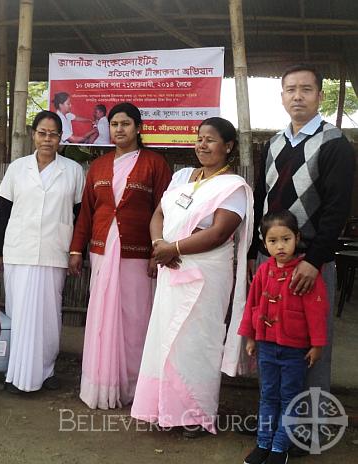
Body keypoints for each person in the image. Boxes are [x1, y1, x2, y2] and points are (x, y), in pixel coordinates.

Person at [130, 117, 253, 436]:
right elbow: (158, 213)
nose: (202, 144)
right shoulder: (183, 176)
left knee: (197, 342)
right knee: (166, 338)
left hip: (205, 274)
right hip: (172, 269)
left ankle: (196, 414)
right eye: (199, 138)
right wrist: (160, 245)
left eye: (211, 139)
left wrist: (175, 248)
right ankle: (164, 408)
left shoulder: (233, 187)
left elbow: (219, 232)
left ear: (228, 147)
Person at [247, 64, 355, 394]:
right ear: (281, 97)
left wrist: (315, 260)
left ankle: (306, 427)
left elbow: (338, 209)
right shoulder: (273, 144)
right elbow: (261, 200)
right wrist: (256, 253)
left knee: (310, 346)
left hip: (310, 262)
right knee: (270, 338)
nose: (298, 96)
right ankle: (273, 421)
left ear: (320, 96)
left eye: (306, 89)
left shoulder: (335, 144)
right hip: (271, 262)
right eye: (291, 89)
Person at [69, 102, 172, 409]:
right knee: (102, 317)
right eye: (114, 124)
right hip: (102, 250)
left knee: (136, 317)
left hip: (139, 254)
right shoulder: (98, 166)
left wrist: (159, 250)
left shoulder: (155, 163)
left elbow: (164, 211)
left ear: (138, 128)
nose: (119, 129)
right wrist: (77, 248)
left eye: (126, 123)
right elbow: (86, 213)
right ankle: (101, 383)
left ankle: (135, 386)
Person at [0, 110, 85, 393]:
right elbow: (2, 214)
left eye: (53, 134)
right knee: (19, 313)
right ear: (34, 135)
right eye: (42, 133)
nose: (47, 139)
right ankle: (16, 374)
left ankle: (46, 370)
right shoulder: (18, 168)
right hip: (18, 251)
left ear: (61, 138)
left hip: (54, 252)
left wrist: (77, 250)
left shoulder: (73, 171)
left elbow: (80, 215)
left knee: (48, 316)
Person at [240, 210, 328, 464]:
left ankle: (280, 448)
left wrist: (317, 345)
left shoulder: (306, 273)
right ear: (264, 243)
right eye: (273, 241)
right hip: (266, 347)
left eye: (286, 239)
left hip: (294, 350)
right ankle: (263, 443)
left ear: (297, 238)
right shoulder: (263, 271)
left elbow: (317, 312)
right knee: (268, 395)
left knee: (290, 397)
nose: (280, 246)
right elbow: (252, 305)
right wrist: (250, 337)